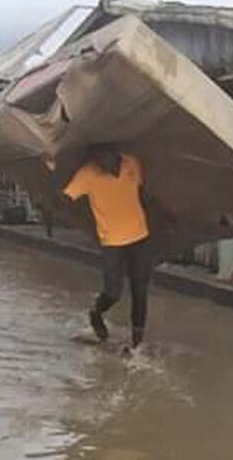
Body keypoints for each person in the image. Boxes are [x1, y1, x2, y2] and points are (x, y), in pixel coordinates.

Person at [60, 143, 164, 349]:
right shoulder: (87, 174)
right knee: (113, 292)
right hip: (112, 242)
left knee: (140, 290)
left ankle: (136, 344)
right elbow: (65, 197)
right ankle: (96, 312)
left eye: (106, 159)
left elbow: (140, 192)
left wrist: (159, 217)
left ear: (114, 153)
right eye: (98, 160)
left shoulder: (131, 162)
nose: (104, 165)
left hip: (140, 236)